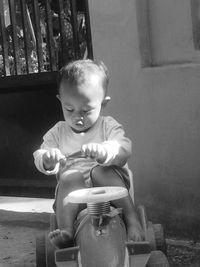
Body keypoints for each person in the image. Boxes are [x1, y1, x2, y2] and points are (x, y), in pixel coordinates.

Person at [33, 59, 143, 248]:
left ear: (103, 103)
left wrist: (106, 152)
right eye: (69, 109)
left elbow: (124, 147)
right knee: (69, 176)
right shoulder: (57, 132)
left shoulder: (108, 126)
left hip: (111, 196)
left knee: (100, 171)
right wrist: (47, 158)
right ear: (60, 100)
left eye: (86, 110)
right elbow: (39, 154)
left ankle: (132, 220)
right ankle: (67, 230)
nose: (77, 116)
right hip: (76, 201)